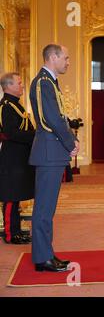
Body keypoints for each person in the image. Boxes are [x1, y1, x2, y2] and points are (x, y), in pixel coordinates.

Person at [29, 44, 79, 272]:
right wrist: (71, 142)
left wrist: (69, 140)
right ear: (53, 57)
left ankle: (46, 254)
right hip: (49, 151)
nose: (68, 62)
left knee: (48, 209)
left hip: (53, 151)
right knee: (43, 209)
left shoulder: (50, 83)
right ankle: (42, 258)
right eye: (66, 58)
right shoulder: (43, 83)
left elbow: (59, 117)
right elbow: (51, 120)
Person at [0, 72, 35, 244]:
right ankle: (9, 234)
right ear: (9, 86)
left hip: (20, 157)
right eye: (19, 83)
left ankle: (17, 230)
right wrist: (34, 136)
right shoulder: (6, 106)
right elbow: (10, 133)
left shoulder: (16, 105)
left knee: (17, 195)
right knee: (10, 196)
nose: (22, 85)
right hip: (11, 158)